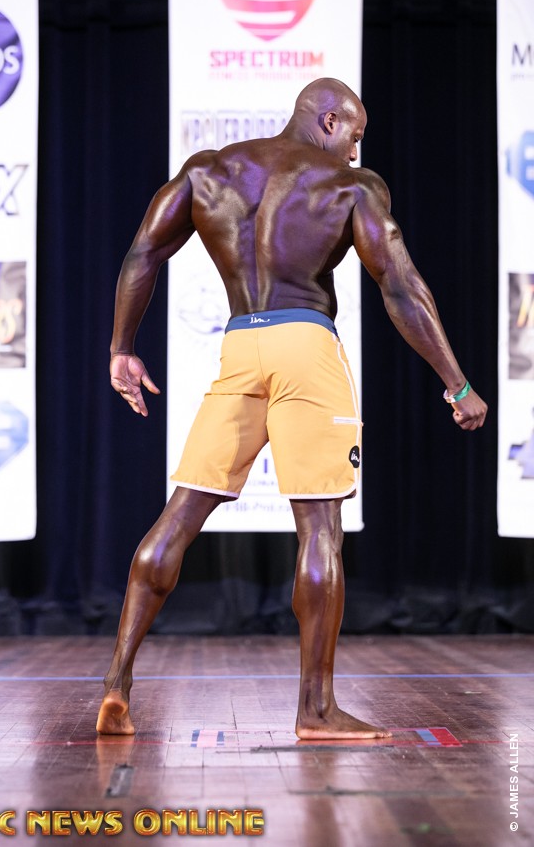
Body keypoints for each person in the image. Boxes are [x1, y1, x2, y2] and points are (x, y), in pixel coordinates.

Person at [96, 78, 487, 739]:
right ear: (328, 120)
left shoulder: (208, 171)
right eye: (354, 134)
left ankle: (116, 685)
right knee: (320, 528)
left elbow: (143, 253)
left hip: (240, 346)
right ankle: (317, 710)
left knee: (180, 515)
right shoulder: (351, 185)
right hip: (306, 344)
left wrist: (121, 349)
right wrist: (456, 383)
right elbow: (400, 285)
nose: (356, 150)